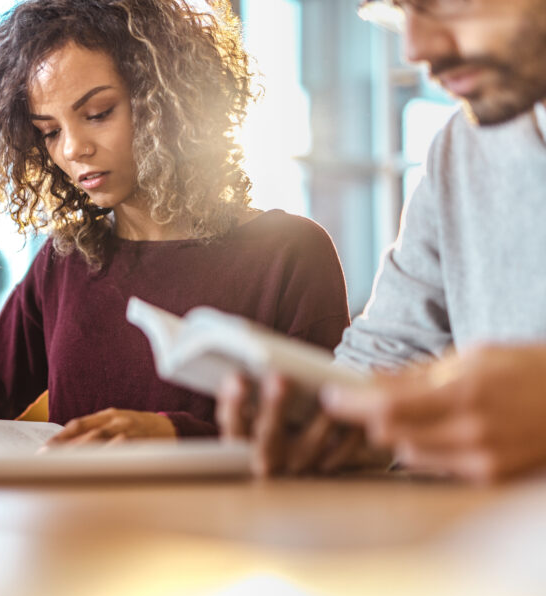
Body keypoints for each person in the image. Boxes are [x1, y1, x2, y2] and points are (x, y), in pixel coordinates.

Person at [0, 0, 350, 443]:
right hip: (79, 516)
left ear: (168, 100)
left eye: (98, 114)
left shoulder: (290, 253)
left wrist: (173, 435)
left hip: (227, 517)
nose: (73, 149)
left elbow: (327, 437)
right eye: (50, 132)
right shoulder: (64, 263)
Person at [218, 0, 546, 481]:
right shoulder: (464, 149)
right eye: (397, 9)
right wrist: (321, 419)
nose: (414, 48)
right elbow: (392, 351)